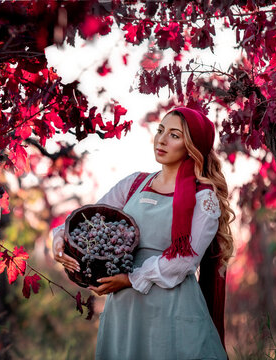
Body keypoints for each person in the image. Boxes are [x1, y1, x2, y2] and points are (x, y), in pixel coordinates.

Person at [52, 107, 234, 360]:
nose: (161, 140)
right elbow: (88, 218)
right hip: (124, 307)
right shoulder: (134, 184)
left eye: (174, 135)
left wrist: (130, 279)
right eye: (160, 130)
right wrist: (60, 238)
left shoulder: (203, 197)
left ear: (192, 145)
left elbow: (185, 260)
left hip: (171, 306)